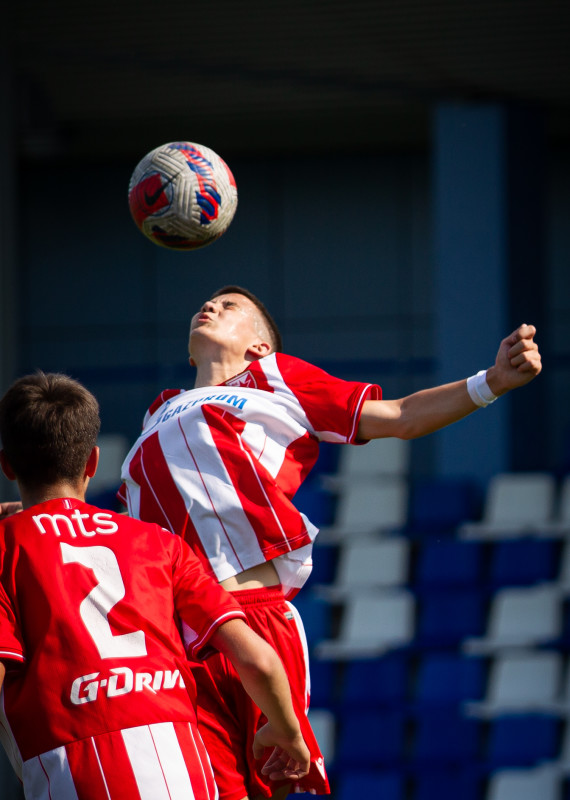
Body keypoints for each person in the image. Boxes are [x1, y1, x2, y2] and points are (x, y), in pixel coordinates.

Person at [120, 285, 542, 800]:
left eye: (230, 306)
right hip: (172, 636)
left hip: (250, 612)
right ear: (189, 353)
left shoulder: (274, 378)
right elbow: (127, 526)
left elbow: (402, 416)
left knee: (266, 788)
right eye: (206, 302)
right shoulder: (158, 411)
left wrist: (492, 381)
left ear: (259, 346)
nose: (209, 306)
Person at [0, 371, 310, 800]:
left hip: (72, 772)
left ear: (6, 465)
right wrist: (288, 731)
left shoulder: (6, 547)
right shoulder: (159, 543)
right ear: (92, 462)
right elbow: (257, 659)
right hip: (185, 765)